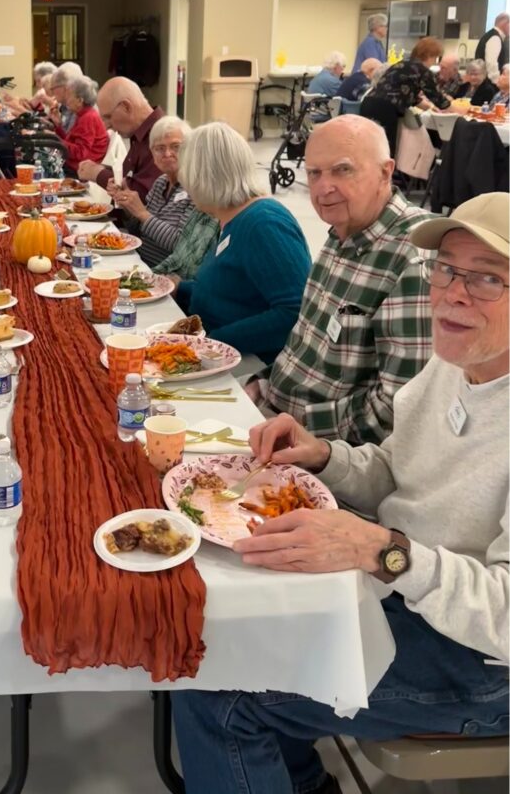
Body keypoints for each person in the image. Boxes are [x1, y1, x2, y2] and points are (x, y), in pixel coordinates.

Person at [172, 192, 509, 794]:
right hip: (402, 590)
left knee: (220, 694)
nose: (454, 294)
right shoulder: (453, 362)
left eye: (489, 278)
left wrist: (385, 551)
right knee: (210, 630)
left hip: (481, 662)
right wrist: (324, 456)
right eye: (449, 269)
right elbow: (391, 471)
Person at [248, 116, 435, 444]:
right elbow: (306, 347)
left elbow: (397, 410)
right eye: (314, 173)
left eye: (342, 169)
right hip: (272, 412)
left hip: (322, 450)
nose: (323, 188)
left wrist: (295, 426)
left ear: (385, 172)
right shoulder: (344, 231)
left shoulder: (415, 257)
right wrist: (262, 384)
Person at [173, 123, 311, 363]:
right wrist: (179, 288)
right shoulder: (231, 217)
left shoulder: (263, 224)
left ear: (202, 177)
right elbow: (232, 291)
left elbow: (293, 312)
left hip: (249, 362)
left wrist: (214, 341)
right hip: (220, 351)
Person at [110, 117, 193, 269]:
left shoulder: (195, 190)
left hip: (166, 275)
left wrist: (142, 213)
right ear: (153, 154)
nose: (167, 153)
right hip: (139, 266)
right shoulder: (161, 182)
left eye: (175, 146)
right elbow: (140, 232)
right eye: (160, 148)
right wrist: (128, 206)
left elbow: (181, 245)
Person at [360, 37, 451, 156]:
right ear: (430, 55)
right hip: (385, 110)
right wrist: (459, 106)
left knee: (367, 147)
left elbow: (408, 95)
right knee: (384, 151)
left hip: (369, 103)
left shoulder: (401, 64)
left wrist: (430, 107)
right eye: (436, 58)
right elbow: (441, 102)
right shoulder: (423, 71)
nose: (435, 62)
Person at [79, 77, 163, 201]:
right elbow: (129, 178)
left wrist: (97, 174)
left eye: (108, 117)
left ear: (126, 107)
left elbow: (142, 195)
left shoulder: (162, 136)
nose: (106, 126)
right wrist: (100, 169)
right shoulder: (139, 133)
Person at [49, 75, 108, 176]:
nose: (66, 99)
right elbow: (71, 142)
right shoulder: (83, 114)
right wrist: (58, 126)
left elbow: (81, 153)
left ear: (80, 100)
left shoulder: (88, 118)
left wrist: (55, 140)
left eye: (69, 95)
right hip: (73, 165)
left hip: (80, 170)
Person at [152, 209, 220, 281]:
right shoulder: (200, 210)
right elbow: (177, 256)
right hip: (174, 283)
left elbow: (207, 283)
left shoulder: (226, 228)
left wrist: (179, 285)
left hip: (188, 289)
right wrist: (153, 273)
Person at [474, 11, 509, 83]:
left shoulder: (490, 35)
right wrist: (498, 82)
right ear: (505, 24)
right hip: (490, 84)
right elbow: (491, 64)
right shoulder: (495, 38)